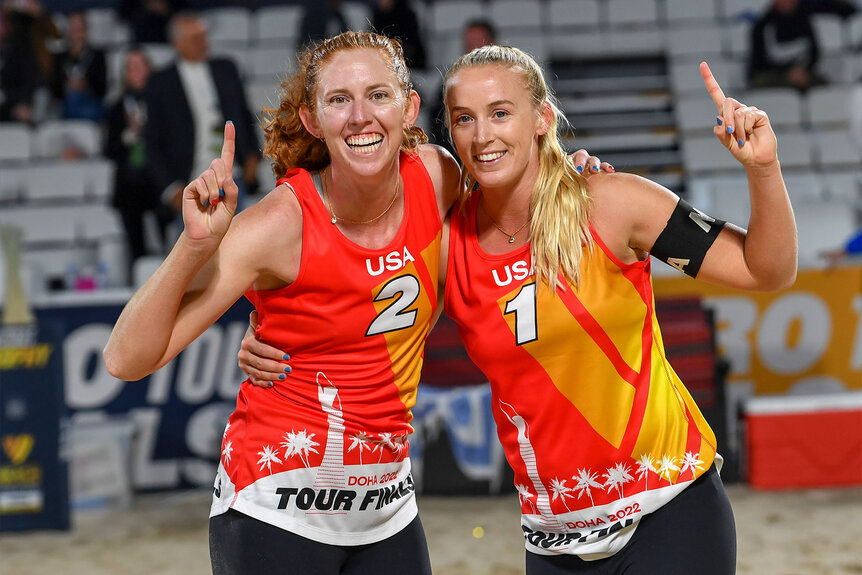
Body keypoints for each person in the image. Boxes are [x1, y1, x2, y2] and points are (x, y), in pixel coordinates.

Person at [239, 47, 798, 573]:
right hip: (552, 537)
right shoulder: (449, 243)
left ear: (542, 118)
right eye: (464, 118)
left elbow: (766, 270)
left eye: (501, 112)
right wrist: (267, 328)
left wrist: (764, 168)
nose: (483, 136)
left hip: (670, 510)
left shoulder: (612, 203)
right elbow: (358, 306)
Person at [144, 12, 260, 234]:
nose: (203, 43)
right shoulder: (161, 83)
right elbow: (153, 141)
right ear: (178, 43)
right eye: (195, 38)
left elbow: (244, 114)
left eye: (204, 36)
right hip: (190, 183)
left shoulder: (226, 69)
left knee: (238, 248)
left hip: (232, 178)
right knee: (196, 256)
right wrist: (171, 189)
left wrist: (253, 155)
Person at [104, 47, 169, 283]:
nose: (136, 71)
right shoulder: (116, 107)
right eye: (131, 67)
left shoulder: (163, 102)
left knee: (169, 238)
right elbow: (108, 150)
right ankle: (139, 293)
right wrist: (126, 137)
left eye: (140, 65)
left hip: (158, 181)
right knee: (135, 244)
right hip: (129, 186)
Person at [428, 18, 497, 154]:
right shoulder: (450, 80)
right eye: (469, 44)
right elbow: (438, 122)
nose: (473, 49)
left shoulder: (508, 79)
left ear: (492, 43)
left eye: (478, 43)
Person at [748, 0, 831, 91]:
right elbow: (759, 62)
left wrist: (803, 70)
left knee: (825, 87)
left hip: (801, 73)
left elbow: (814, 53)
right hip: (770, 74)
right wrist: (788, 73)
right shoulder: (763, 25)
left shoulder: (804, 21)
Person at [51, 12, 107, 121]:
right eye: (73, 30)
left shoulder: (97, 55)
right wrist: (67, 86)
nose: (77, 34)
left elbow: (102, 89)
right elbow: (54, 89)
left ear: (86, 31)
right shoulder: (59, 58)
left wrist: (85, 85)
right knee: (71, 99)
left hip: (91, 103)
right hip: (65, 103)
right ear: (68, 32)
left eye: (80, 29)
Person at [372, 0, 427, 69]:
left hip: (410, 66)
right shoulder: (377, 15)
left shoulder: (406, 16)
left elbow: (410, 47)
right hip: (385, 63)